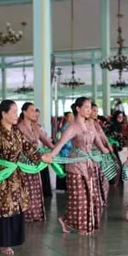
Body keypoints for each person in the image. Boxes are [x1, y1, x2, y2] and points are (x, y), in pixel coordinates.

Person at [0, 100, 52, 255]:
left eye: (16, 112)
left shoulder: (16, 132)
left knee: (14, 206)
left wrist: (42, 157)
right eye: (13, 112)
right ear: (4, 114)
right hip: (0, 177)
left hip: (14, 176)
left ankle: (7, 240)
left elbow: (29, 149)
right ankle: (0, 242)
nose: (16, 115)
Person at [49, 97, 109, 235]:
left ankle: (66, 220)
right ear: (78, 109)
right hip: (75, 166)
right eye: (87, 107)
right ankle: (81, 226)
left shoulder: (90, 124)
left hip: (89, 164)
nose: (90, 110)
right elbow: (61, 144)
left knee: (91, 197)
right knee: (79, 199)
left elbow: (97, 140)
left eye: (90, 108)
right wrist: (51, 155)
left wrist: (104, 149)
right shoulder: (72, 127)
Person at [17, 102, 54, 221]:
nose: (34, 113)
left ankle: (35, 214)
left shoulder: (36, 127)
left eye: (35, 110)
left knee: (36, 187)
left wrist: (55, 149)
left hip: (35, 162)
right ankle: (25, 215)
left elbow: (45, 140)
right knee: (25, 188)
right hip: (24, 163)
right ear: (24, 112)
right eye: (32, 110)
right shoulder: (18, 128)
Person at [91, 103, 114, 206]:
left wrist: (108, 145)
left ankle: (103, 199)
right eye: (94, 110)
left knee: (104, 177)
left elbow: (103, 136)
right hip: (93, 154)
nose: (96, 113)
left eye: (97, 111)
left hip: (101, 153)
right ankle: (97, 200)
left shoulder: (96, 123)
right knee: (95, 177)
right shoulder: (87, 124)